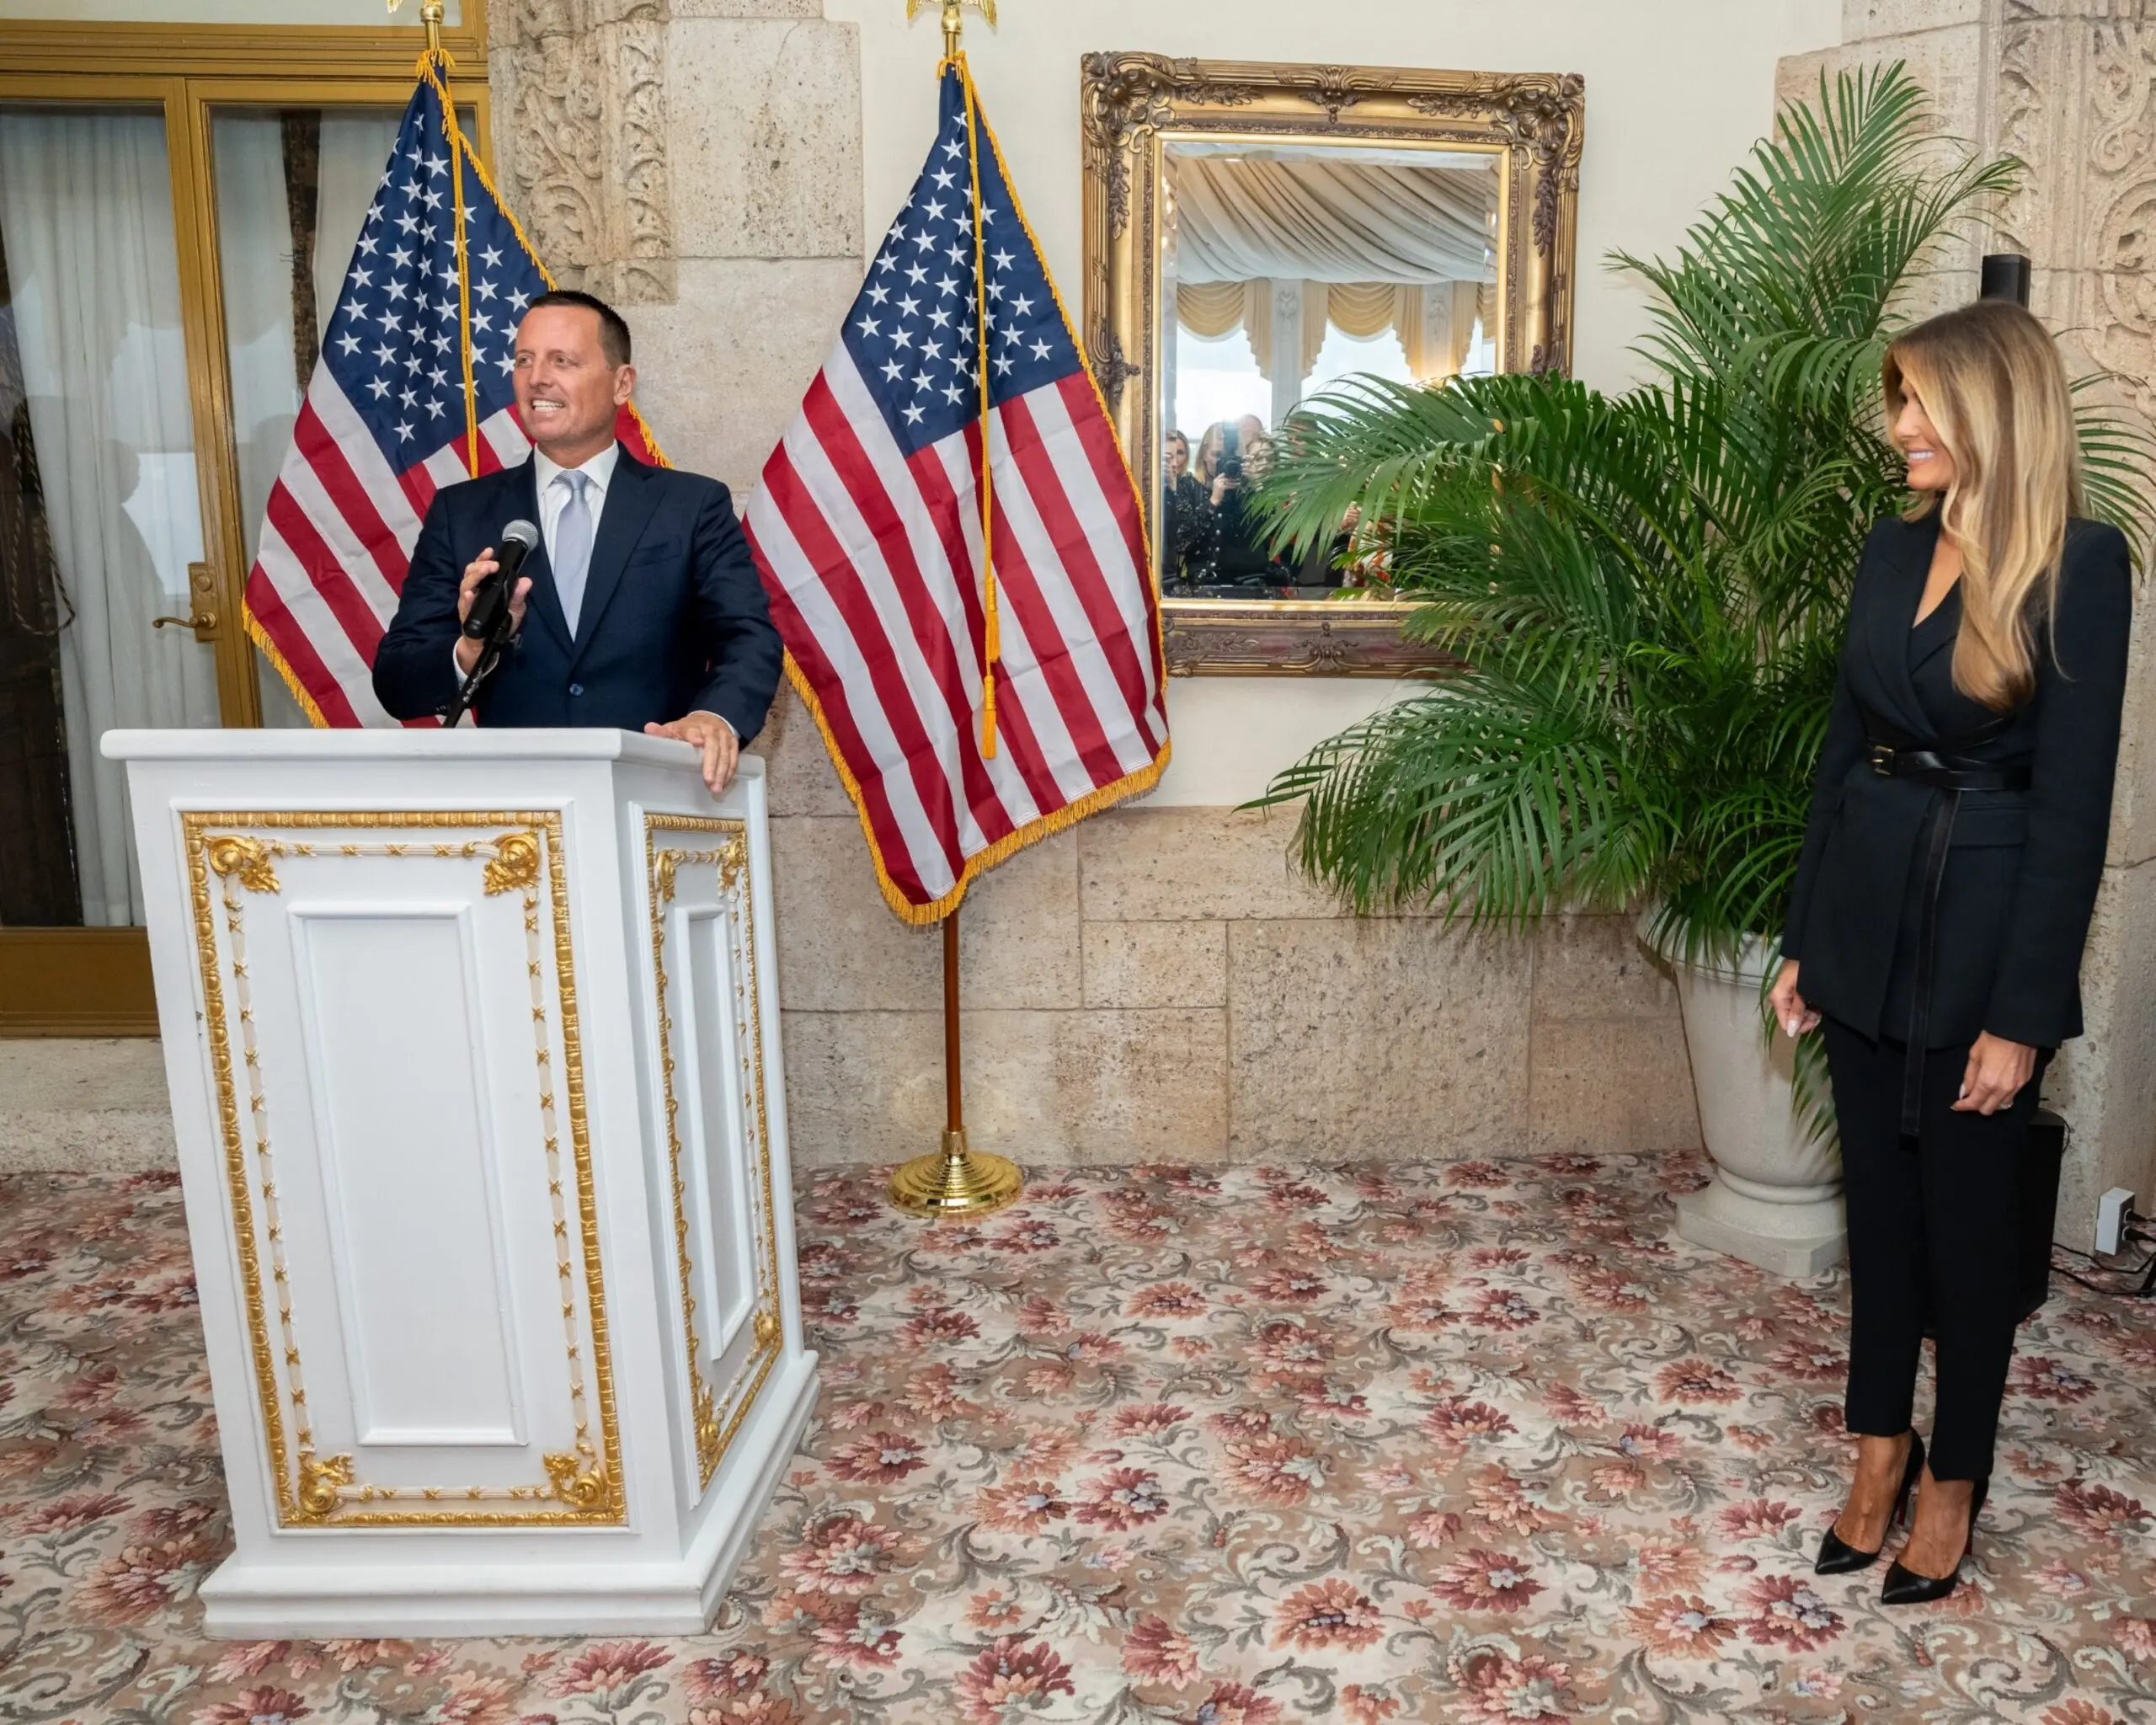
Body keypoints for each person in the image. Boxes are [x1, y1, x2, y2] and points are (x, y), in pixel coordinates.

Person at [1769, 299, 2131, 1605]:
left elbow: (2074, 813)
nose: (1900, 426)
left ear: (1993, 409)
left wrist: (2023, 1014)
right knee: (1878, 1210)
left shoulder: (2083, 568)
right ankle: (1879, 1450)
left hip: (1982, 941)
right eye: (1897, 400)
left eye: (1922, 402)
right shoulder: (1888, 546)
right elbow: (1836, 756)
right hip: (1864, 917)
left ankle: (1956, 1477)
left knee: (1969, 1234)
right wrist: (1807, 937)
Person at [372, 289, 782, 793]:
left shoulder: (691, 506)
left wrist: (715, 716)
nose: (537, 377)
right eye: (525, 360)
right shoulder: (462, 512)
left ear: (622, 383)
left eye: (562, 360)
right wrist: (470, 648)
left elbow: (748, 637)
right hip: (514, 815)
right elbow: (396, 682)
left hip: (655, 800)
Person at [1161, 430, 1208, 590]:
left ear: (1186, 456)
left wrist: (1173, 489)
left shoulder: (1193, 486)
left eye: (1180, 453)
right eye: (1167, 455)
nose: (1174, 461)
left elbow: (1184, 539)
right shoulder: (1146, 483)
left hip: (1182, 574)